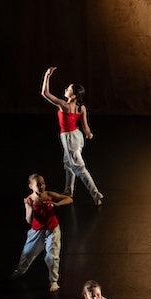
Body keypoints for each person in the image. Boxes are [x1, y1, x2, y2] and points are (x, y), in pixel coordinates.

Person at [41, 67, 104, 206]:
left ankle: (96, 195)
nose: (66, 89)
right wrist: (88, 134)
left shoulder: (64, 105)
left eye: (68, 89)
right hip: (77, 136)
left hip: (69, 139)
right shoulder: (82, 107)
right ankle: (68, 191)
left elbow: (45, 93)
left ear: (74, 95)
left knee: (79, 168)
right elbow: (86, 127)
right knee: (68, 164)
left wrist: (47, 76)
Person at [10, 173, 73, 292]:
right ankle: (19, 272)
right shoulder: (29, 200)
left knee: (52, 256)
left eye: (43, 184)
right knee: (27, 253)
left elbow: (69, 199)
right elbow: (29, 221)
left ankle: (53, 281)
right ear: (31, 186)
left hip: (52, 229)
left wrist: (57, 203)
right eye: (38, 185)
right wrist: (30, 207)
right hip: (37, 231)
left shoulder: (48, 195)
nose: (41, 186)